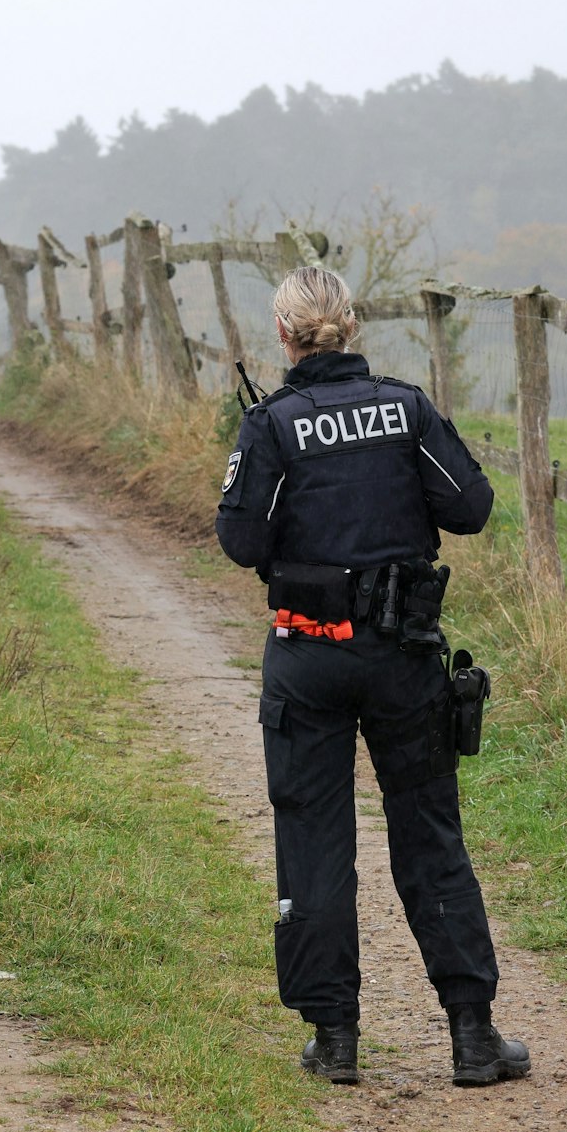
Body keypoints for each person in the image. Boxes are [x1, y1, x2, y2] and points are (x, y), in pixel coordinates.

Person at [215, 266, 530, 1087]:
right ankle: (473, 1035)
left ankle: (336, 1037)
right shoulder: (405, 408)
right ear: (350, 326)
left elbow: (242, 541)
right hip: (402, 654)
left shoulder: (271, 425)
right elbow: (471, 505)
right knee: (429, 833)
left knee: (314, 839)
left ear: (283, 335)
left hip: (308, 656)